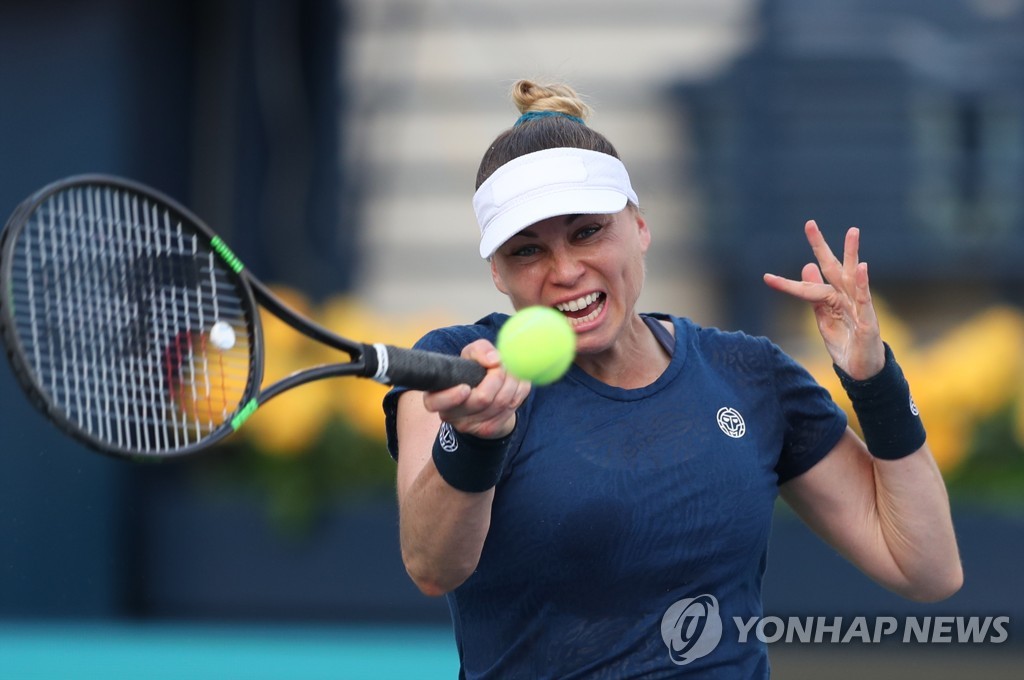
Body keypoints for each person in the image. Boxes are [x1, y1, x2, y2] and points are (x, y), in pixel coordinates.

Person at [383, 79, 962, 678]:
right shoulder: (460, 367)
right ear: (498, 274)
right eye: (526, 252)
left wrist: (875, 382)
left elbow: (927, 568)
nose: (565, 271)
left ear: (639, 227)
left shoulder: (750, 374)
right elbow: (431, 565)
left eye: (587, 232)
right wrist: (476, 439)